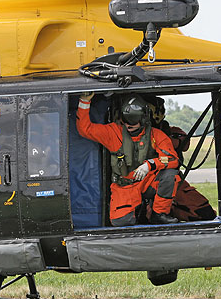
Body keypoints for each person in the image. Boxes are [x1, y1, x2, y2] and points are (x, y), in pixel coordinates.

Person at [76, 92, 180, 226]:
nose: (129, 126)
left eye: (133, 122)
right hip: (124, 186)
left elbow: (173, 159)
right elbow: (85, 129)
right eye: (126, 121)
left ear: (143, 118)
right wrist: (84, 101)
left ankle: (159, 214)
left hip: (147, 182)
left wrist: (150, 164)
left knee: (170, 175)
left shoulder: (156, 135)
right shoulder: (113, 133)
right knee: (121, 222)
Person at [145, 96, 217, 221]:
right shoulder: (131, 134)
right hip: (145, 183)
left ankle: (169, 211)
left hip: (171, 181)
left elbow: (185, 143)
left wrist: (166, 137)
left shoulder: (168, 131)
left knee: (205, 213)